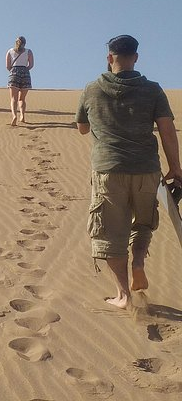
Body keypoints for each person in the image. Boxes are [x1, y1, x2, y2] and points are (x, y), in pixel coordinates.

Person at [76, 35, 182, 309]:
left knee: (110, 234)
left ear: (109, 57)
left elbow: (82, 127)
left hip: (108, 170)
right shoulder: (153, 90)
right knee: (144, 222)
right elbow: (167, 130)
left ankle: (123, 294)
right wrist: (176, 167)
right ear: (135, 58)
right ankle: (138, 261)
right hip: (147, 169)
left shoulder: (91, 89)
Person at [6, 36, 34, 125]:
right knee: (22, 99)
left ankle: (14, 116)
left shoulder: (10, 51)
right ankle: (22, 115)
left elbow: (7, 66)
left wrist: (13, 71)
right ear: (25, 43)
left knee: (13, 98)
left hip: (14, 72)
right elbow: (31, 65)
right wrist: (25, 69)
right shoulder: (28, 51)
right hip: (25, 73)